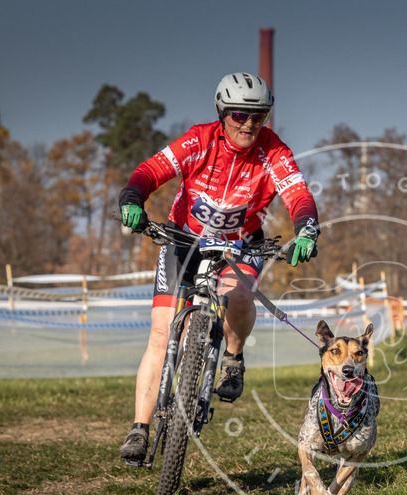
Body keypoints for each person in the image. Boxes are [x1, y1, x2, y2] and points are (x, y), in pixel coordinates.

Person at [117, 72, 320, 464]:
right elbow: (151, 170)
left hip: (241, 244)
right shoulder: (199, 139)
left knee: (239, 294)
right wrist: (132, 198)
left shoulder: (273, 152)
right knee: (161, 332)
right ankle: (139, 428)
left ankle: (233, 356)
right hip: (183, 240)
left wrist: (307, 228)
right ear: (222, 112)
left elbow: (298, 194)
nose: (248, 124)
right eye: (239, 115)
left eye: (258, 116)